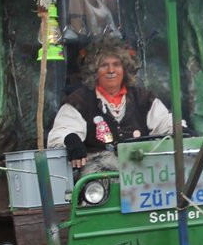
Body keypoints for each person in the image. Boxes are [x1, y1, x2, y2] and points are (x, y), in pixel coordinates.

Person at [47, 37, 173, 171]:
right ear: (94, 71)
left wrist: (179, 130)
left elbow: (165, 123)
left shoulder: (143, 98)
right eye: (104, 65)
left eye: (116, 64)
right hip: (98, 179)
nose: (111, 70)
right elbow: (61, 132)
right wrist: (70, 138)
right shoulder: (79, 101)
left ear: (125, 68)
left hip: (142, 171)